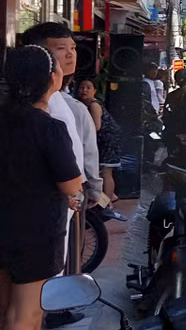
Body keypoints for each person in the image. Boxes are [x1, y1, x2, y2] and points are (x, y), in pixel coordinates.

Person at [0, 46, 84, 330]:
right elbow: (71, 183)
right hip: (35, 231)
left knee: (4, 310)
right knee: (27, 314)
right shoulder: (49, 128)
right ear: (51, 78)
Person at [75, 78, 126, 221]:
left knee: (106, 172)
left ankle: (106, 203)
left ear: (95, 91)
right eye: (82, 87)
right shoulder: (85, 105)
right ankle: (110, 197)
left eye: (88, 87)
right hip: (105, 142)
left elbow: (96, 127)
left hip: (108, 142)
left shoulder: (93, 105)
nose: (84, 90)